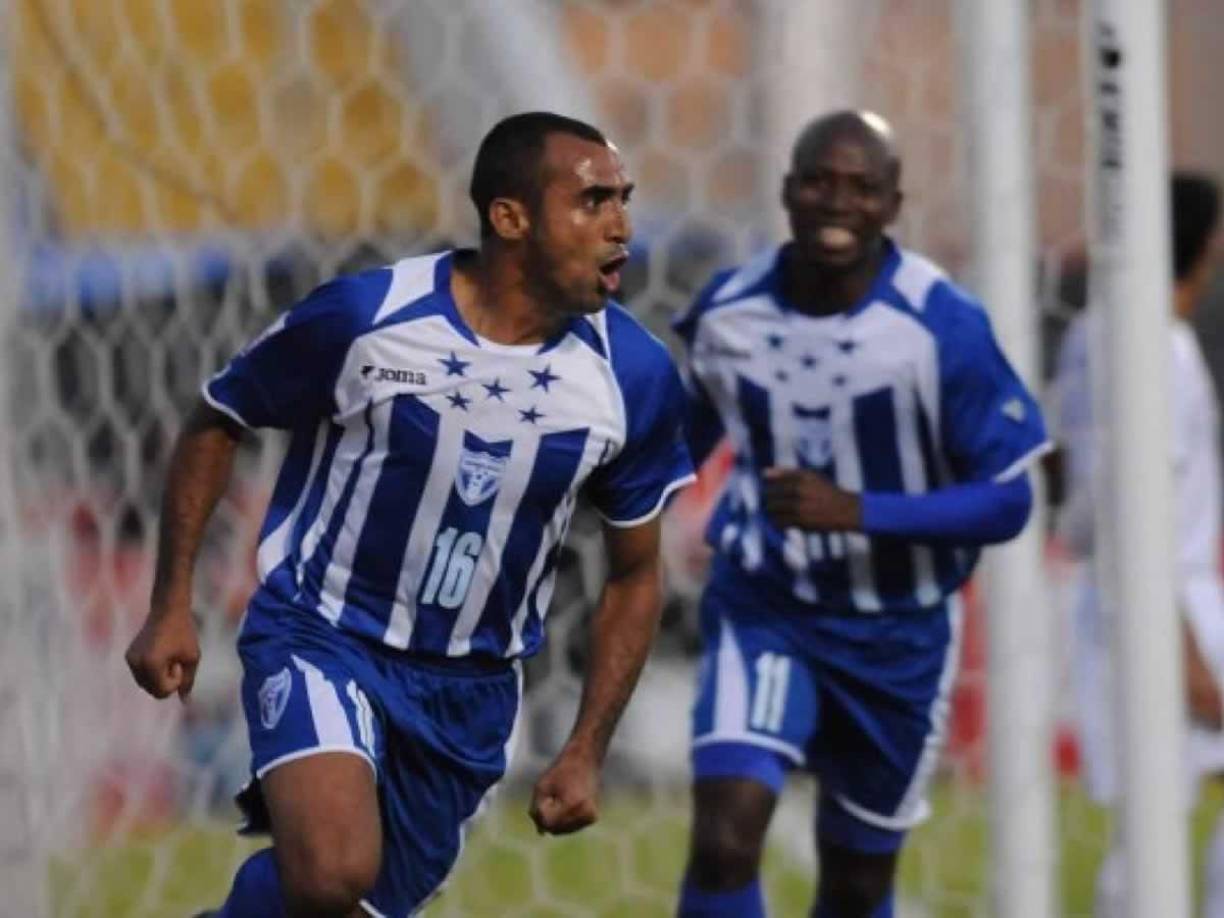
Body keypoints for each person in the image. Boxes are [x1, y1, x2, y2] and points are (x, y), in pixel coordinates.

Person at [125, 111, 695, 918]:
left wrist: (585, 749)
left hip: (469, 692)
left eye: (624, 200)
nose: (621, 227)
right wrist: (169, 604)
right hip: (324, 632)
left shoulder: (631, 378)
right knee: (331, 874)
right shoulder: (369, 319)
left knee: (332, 904)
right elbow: (221, 417)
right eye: (593, 201)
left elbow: (635, 574)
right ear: (510, 217)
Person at [672, 110, 1049, 918]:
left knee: (854, 882)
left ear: (892, 204)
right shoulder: (728, 313)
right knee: (726, 837)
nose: (836, 202)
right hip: (766, 607)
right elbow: (682, 439)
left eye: (861, 188)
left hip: (899, 633)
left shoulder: (942, 326)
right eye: (818, 181)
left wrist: (857, 511)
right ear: (786, 191)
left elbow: (1012, 498)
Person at [1054, 172, 1223, 917]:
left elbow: (1069, 470)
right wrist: (1185, 647)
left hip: (1113, 595)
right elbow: (1136, 507)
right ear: (1207, 246)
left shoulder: (1094, 332)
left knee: (1148, 815)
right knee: (1151, 820)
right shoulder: (1164, 350)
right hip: (1161, 599)